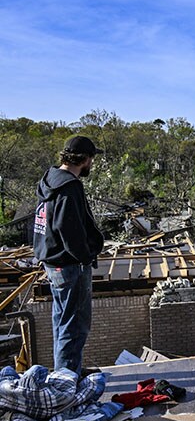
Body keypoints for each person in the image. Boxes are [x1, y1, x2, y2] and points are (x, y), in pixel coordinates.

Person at [33, 136, 104, 374]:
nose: (91, 164)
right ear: (84, 160)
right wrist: (85, 256)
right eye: (91, 159)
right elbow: (69, 228)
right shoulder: (69, 186)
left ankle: (67, 369)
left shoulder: (50, 180)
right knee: (75, 325)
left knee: (62, 321)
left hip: (53, 262)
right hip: (70, 264)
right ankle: (67, 380)